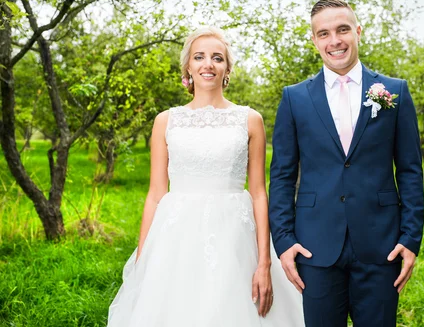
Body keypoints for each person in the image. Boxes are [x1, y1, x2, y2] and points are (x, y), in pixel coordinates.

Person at [107, 26, 303, 326]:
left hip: (235, 236)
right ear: (188, 67)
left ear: (227, 68)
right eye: (199, 57)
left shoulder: (250, 120)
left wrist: (264, 261)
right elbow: (156, 194)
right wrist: (142, 257)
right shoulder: (166, 121)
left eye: (217, 58)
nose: (208, 64)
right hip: (176, 236)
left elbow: (259, 193)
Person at [269, 0, 424, 327]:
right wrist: (283, 241)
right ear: (314, 40)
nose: (335, 40)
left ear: (358, 31)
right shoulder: (294, 97)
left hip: (382, 245)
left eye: (342, 30)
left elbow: (410, 170)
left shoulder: (395, 91)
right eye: (323, 33)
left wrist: (410, 239)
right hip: (314, 246)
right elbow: (282, 176)